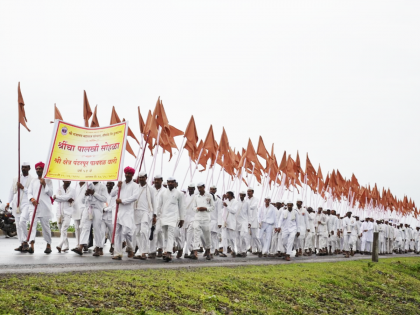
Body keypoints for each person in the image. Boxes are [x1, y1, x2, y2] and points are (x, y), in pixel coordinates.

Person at [110, 167, 139, 260]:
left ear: (132, 175)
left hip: (128, 212)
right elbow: (112, 194)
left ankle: (130, 247)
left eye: (129, 173)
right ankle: (118, 253)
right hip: (119, 211)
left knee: (126, 232)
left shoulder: (135, 185)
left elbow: (135, 197)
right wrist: (117, 187)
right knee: (118, 232)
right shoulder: (120, 184)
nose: (127, 175)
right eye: (126, 173)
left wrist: (122, 201)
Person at [73, 181, 107, 256]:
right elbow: (82, 201)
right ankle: (81, 247)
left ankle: (99, 247)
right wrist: (86, 195)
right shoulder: (88, 185)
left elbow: (104, 199)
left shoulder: (102, 186)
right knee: (85, 227)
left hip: (97, 209)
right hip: (88, 209)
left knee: (96, 229)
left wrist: (93, 193)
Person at [154, 177, 185, 262]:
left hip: (173, 217)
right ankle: (166, 250)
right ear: (167, 182)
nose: (170, 183)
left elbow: (182, 207)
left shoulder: (179, 193)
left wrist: (182, 219)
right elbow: (159, 205)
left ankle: (169, 252)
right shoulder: (163, 193)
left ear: (175, 183)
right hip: (164, 217)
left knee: (171, 234)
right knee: (165, 235)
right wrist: (155, 216)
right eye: (169, 182)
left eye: (172, 182)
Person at [27, 162, 53, 254]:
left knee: (45, 227)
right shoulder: (33, 181)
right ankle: (32, 246)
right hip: (34, 207)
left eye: (40, 168)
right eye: (37, 169)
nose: (38, 170)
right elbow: (29, 193)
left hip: (44, 208)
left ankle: (48, 245)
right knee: (32, 226)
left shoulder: (48, 181)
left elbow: (50, 193)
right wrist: (32, 199)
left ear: (43, 169)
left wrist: (44, 184)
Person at [6, 162, 33, 252]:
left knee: (22, 221)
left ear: (29, 168)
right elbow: (11, 190)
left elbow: (32, 192)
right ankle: (21, 243)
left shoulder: (32, 179)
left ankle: (26, 241)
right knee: (17, 225)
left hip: (26, 203)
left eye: (26, 167)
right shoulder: (16, 178)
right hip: (16, 203)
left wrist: (22, 187)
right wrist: (8, 202)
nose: (24, 169)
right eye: (22, 167)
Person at [131, 172, 155, 260]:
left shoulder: (150, 189)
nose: (141, 179)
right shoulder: (135, 188)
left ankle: (144, 252)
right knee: (137, 232)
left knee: (144, 231)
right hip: (136, 212)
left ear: (146, 178)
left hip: (146, 212)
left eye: (142, 177)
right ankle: (140, 251)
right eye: (139, 177)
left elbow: (154, 203)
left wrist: (154, 215)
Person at [191, 183, 214, 260]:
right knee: (196, 235)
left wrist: (206, 208)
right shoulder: (196, 197)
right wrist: (198, 208)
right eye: (198, 188)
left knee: (207, 235)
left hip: (206, 218)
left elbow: (212, 207)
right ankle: (195, 252)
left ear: (204, 187)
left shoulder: (209, 196)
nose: (199, 189)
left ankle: (208, 251)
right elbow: (193, 207)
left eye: (200, 187)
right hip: (197, 218)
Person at [54, 181, 74, 253]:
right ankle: (66, 245)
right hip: (59, 212)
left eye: (70, 181)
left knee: (63, 229)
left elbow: (68, 197)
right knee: (60, 229)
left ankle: (59, 245)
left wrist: (58, 197)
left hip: (68, 212)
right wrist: (65, 199)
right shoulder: (58, 189)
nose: (69, 182)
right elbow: (55, 199)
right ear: (63, 180)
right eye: (67, 180)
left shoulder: (72, 190)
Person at [150, 174, 165, 259]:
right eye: (155, 180)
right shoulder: (150, 189)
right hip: (150, 214)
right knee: (155, 232)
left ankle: (155, 250)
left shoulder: (165, 191)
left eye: (158, 180)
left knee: (157, 232)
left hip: (161, 215)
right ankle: (157, 249)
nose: (156, 181)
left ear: (161, 180)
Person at [220, 191, 238, 258]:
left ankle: (233, 251)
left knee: (231, 238)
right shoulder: (226, 201)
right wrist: (222, 199)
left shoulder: (235, 202)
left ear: (230, 195)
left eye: (227, 194)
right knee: (224, 238)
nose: (226, 195)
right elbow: (221, 207)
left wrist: (227, 206)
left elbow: (234, 211)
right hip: (225, 222)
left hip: (231, 222)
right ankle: (224, 253)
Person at [183, 183, 197, 258]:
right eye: (189, 188)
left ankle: (186, 252)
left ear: (194, 189)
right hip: (186, 218)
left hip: (193, 218)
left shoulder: (196, 197)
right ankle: (191, 250)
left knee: (190, 235)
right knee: (186, 236)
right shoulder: (185, 197)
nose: (191, 190)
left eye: (192, 188)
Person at [72, 182, 86, 251]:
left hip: (83, 209)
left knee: (82, 228)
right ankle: (77, 244)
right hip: (75, 209)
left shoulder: (87, 185)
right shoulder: (76, 185)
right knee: (76, 228)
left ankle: (82, 244)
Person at [247, 188, 261, 255]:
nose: (248, 192)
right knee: (250, 236)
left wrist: (245, 206)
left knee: (255, 236)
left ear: (252, 192)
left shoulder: (256, 199)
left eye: (249, 191)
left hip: (254, 221)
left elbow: (253, 206)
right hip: (248, 220)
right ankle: (253, 249)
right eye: (247, 191)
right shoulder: (246, 200)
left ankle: (260, 249)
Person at [102, 182, 116, 253]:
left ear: (113, 185)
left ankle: (113, 246)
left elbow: (114, 206)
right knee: (102, 232)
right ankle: (99, 247)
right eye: (107, 184)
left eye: (110, 184)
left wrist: (105, 209)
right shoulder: (104, 193)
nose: (108, 185)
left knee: (112, 233)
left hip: (111, 217)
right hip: (103, 217)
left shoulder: (115, 194)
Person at [209, 185, 223, 257]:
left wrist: (219, 222)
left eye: (213, 189)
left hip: (214, 221)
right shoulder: (207, 198)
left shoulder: (218, 200)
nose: (211, 191)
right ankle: (214, 249)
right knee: (209, 237)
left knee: (214, 237)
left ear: (215, 190)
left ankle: (212, 251)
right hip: (207, 221)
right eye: (211, 189)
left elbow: (219, 212)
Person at [235, 191, 249, 257]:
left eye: (243, 195)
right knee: (237, 237)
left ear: (245, 195)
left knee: (243, 236)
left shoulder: (247, 203)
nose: (241, 196)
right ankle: (238, 251)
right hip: (237, 221)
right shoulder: (236, 202)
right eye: (240, 195)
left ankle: (244, 250)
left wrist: (250, 222)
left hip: (244, 221)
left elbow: (249, 213)